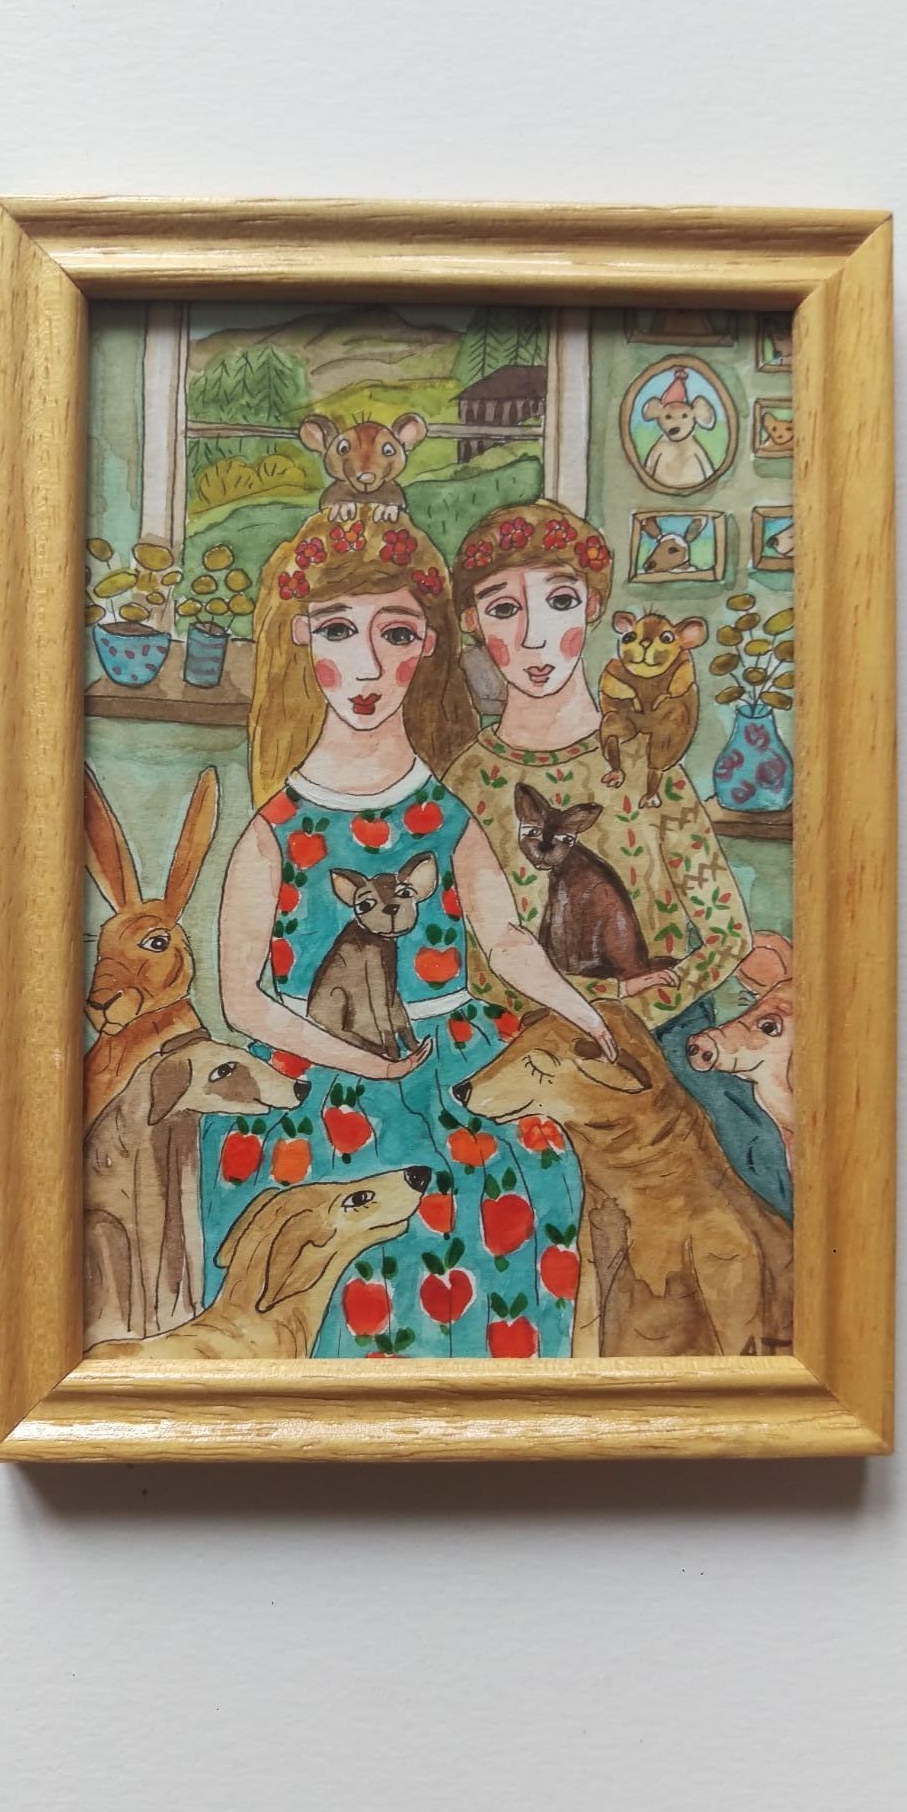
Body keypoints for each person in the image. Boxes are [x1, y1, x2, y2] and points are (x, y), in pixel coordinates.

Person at [202, 507, 619, 1359]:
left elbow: (506, 940)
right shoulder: (274, 828)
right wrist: (362, 1063)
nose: (366, 666)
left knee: (522, 1187)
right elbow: (243, 1001)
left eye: (393, 634)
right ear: (302, 639)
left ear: (426, 645)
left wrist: (584, 1013)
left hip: (450, 1060)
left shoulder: (445, 813)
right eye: (338, 632)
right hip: (315, 1078)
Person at [443, 499, 791, 1217]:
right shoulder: (467, 781)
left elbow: (725, 933)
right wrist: (570, 1021)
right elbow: (471, 957)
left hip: (660, 1041)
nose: (534, 636)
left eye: (559, 602)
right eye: (504, 610)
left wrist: (628, 1016)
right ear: (473, 623)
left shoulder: (647, 764)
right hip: (523, 1051)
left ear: (594, 608)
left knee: (749, 1186)